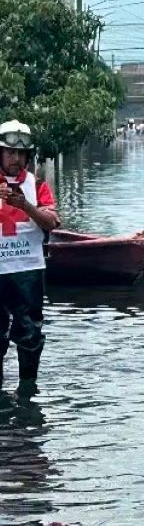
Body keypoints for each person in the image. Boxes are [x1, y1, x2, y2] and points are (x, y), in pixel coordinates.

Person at [0, 121, 59, 391]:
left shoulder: (37, 185)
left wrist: (25, 205)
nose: (16, 159)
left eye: (21, 154)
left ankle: (28, 391)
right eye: (10, 153)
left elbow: (51, 222)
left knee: (30, 333)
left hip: (27, 270)